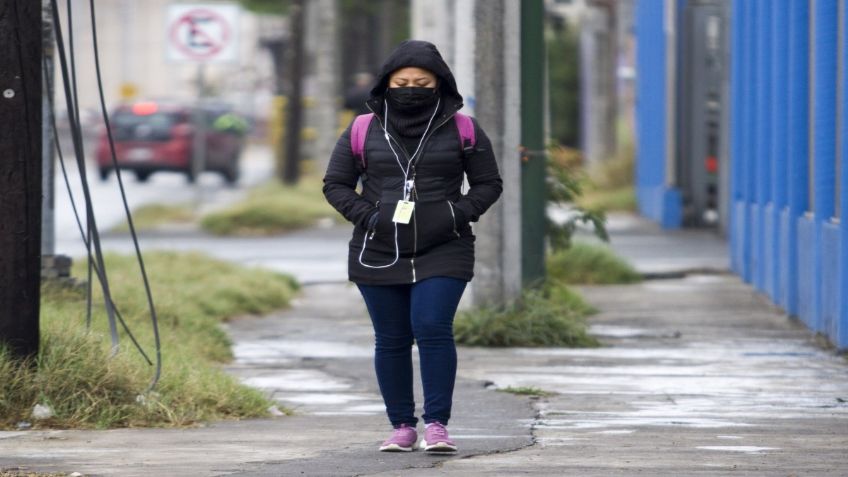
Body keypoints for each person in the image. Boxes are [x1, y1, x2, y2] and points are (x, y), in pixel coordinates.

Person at [322, 40, 502, 453]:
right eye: (402, 82)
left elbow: (489, 184)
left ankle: (437, 425)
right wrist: (370, 217)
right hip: (378, 248)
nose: (411, 88)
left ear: (439, 83)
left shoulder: (464, 128)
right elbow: (335, 184)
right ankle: (402, 426)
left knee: (433, 328)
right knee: (391, 337)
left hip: (445, 246)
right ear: (386, 83)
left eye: (421, 82)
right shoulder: (362, 128)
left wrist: (456, 215)